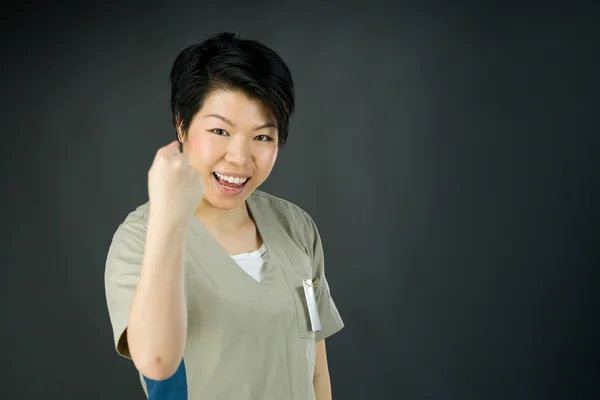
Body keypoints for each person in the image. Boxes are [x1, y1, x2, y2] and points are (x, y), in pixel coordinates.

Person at [104, 31, 345, 399]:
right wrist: (170, 219)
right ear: (182, 126)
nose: (240, 157)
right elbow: (156, 361)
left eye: (262, 137)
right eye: (220, 130)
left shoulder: (295, 227)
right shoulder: (140, 237)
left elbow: (316, 375)